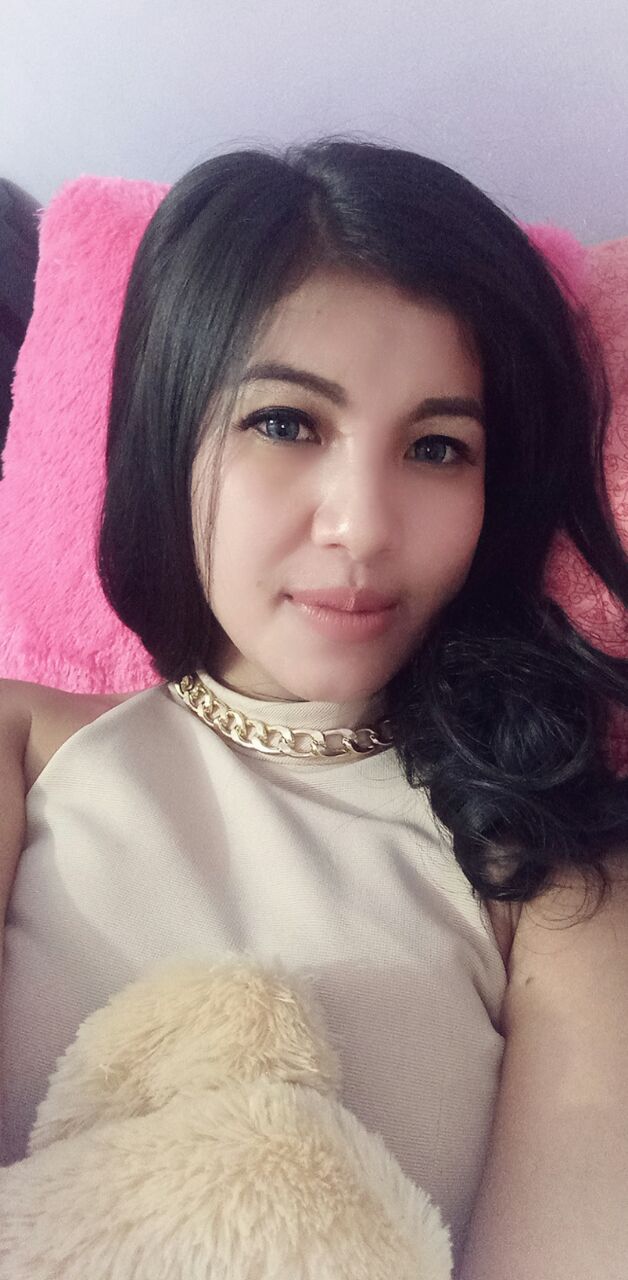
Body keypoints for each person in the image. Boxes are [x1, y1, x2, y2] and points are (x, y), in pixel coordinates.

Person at [1, 137, 627, 1278]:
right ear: (171, 433)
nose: (363, 525)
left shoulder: (555, 874)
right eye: (286, 423)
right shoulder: (20, 745)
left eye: (437, 447)